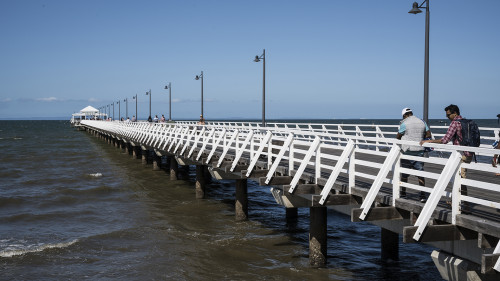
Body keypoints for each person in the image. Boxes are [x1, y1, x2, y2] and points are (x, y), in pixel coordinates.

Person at [420, 104, 472, 212]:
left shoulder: (455, 123)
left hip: (461, 155)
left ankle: (465, 206)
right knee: (459, 177)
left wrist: (429, 141)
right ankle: (457, 202)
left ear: (454, 113)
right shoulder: (466, 122)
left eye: (448, 115)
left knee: (460, 179)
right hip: (469, 154)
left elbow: (445, 140)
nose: (447, 117)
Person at [396, 108, 432, 202]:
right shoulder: (422, 122)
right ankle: (422, 195)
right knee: (420, 174)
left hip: (407, 152)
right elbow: (428, 134)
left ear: (404, 115)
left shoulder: (404, 123)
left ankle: (403, 193)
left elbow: (398, 136)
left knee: (404, 174)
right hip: (419, 151)